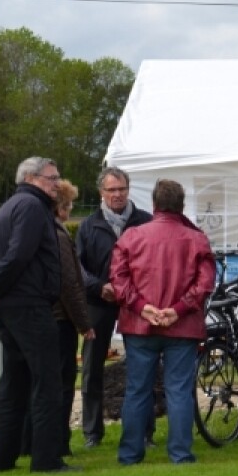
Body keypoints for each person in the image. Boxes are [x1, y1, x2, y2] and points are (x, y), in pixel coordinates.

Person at [109, 179, 215, 465]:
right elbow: (205, 284)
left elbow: (118, 279)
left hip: (140, 326)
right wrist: (178, 309)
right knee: (178, 390)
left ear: (154, 204)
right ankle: (180, 453)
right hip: (181, 326)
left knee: (137, 390)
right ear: (181, 206)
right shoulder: (196, 239)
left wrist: (142, 308)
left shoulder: (132, 236)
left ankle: (130, 453)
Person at [0, 157, 70, 473]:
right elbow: (18, 254)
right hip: (29, 305)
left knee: (13, 382)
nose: (57, 183)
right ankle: (46, 460)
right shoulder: (32, 208)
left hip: (9, 306)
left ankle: (2, 460)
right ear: (32, 178)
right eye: (52, 177)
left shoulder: (8, 208)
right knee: (47, 381)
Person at [76, 166, 153, 448]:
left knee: (143, 367)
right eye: (112, 190)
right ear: (101, 192)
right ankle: (92, 434)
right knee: (92, 368)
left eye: (121, 189)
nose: (117, 194)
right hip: (99, 302)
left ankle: (145, 432)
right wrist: (98, 286)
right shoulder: (88, 225)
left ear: (128, 189)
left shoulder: (145, 221)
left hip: (137, 304)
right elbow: (77, 267)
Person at [52, 179, 95, 456]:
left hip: (44, 317)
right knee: (63, 383)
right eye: (68, 207)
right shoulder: (58, 234)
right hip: (60, 319)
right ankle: (59, 442)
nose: (69, 213)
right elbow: (70, 282)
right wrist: (84, 323)